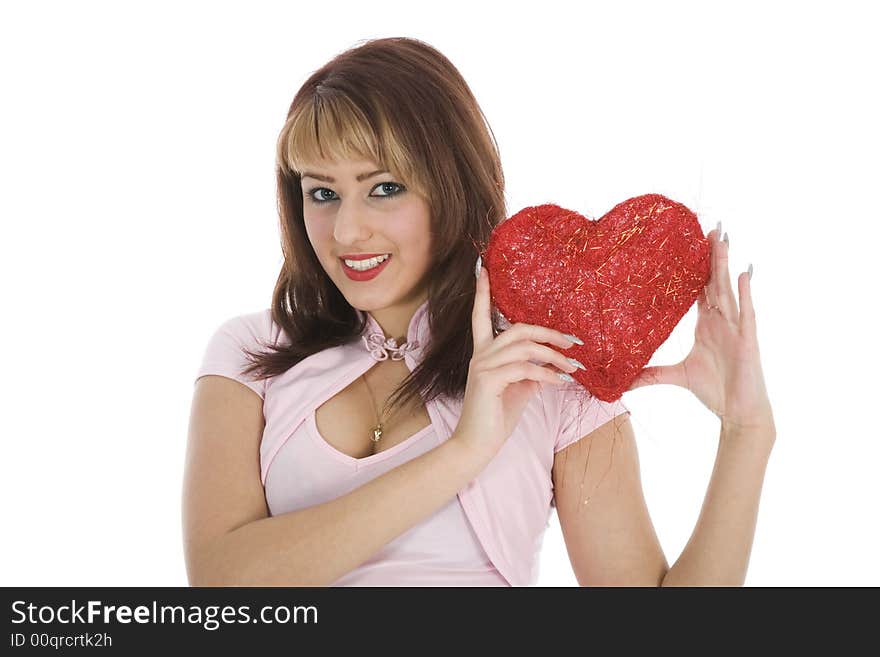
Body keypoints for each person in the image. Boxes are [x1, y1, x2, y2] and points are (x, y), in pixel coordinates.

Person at [182, 37, 776, 587]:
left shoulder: (550, 366)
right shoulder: (248, 355)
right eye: (322, 192)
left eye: (384, 187)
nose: (347, 229)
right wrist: (464, 452)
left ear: (451, 186)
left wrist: (746, 433)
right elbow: (219, 586)